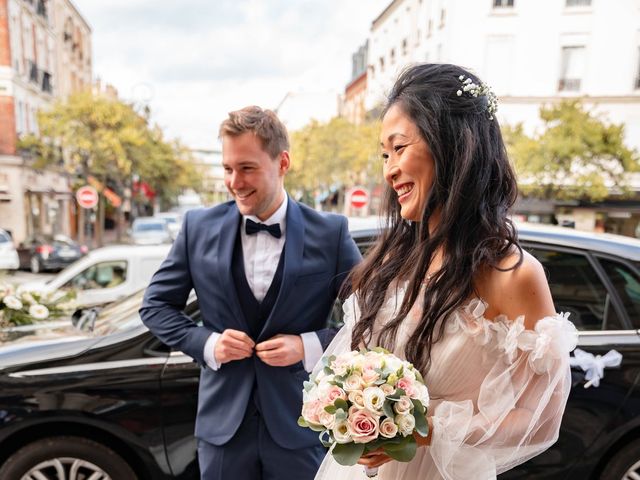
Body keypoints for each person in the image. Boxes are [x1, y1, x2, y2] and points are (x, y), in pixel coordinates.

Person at [313, 64, 578, 480]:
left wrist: (425, 427)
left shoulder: (514, 275)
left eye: (399, 148)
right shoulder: (391, 262)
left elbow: (539, 420)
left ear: (451, 145)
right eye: (385, 155)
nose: (389, 170)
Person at [140, 106, 362, 480]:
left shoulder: (331, 232)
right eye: (228, 169)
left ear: (283, 162)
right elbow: (156, 306)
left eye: (247, 168)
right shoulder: (197, 228)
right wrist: (208, 344)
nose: (234, 181)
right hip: (223, 431)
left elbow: (372, 316)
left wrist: (308, 346)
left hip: (301, 423)